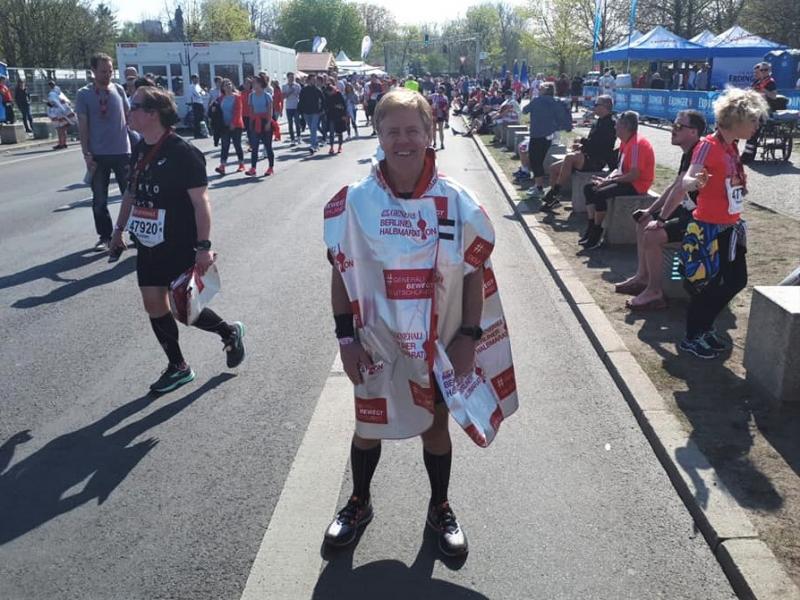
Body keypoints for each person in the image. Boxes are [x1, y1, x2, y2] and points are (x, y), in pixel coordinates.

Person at [322, 87, 517, 557]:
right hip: (377, 344)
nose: (403, 140)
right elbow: (341, 274)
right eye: (392, 131)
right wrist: (346, 340)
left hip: (440, 343)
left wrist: (469, 336)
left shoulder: (458, 201)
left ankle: (440, 507)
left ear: (431, 132)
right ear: (378, 134)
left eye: (413, 130)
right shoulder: (355, 202)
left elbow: (474, 274)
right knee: (368, 427)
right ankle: (359, 502)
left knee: (435, 427)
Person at [109, 86, 245, 392]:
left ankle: (229, 333)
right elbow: (131, 192)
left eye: (134, 106)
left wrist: (203, 247)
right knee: (153, 304)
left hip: (179, 241)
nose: (129, 111)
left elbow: (201, 202)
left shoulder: (183, 152)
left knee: (185, 309)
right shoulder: (139, 147)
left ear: (152, 113)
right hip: (148, 243)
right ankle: (178, 366)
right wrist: (118, 231)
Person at [678, 88, 769, 358]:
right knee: (708, 285)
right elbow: (687, 180)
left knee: (736, 281)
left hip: (730, 226)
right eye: (753, 120)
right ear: (737, 119)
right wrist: (696, 182)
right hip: (708, 227)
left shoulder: (731, 147)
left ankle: (704, 327)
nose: (756, 126)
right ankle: (693, 335)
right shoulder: (708, 145)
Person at [615, 110, 706, 310]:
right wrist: (650, 211)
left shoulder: (699, 152)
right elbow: (675, 186)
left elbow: (680, 190)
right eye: (673, 124)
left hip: (701, 217)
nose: (673, 129)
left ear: (693, 132)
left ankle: (655, 292)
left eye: (679, 126)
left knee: (653, 234)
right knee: (643, 221)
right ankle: (642, 277)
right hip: (688, 210)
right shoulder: (690, 152)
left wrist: (661, 220)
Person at [75, 53, 132, 252]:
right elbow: (83, 125)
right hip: (98, 154)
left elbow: (129, 117)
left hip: (122, 152)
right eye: (103, 71)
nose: (107, 75)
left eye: (110, 71)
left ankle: (135, 233)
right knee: (99, 199)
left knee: (130, 196)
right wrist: (86, 153)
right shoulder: (84, 94)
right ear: (93, 71)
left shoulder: (118, 90)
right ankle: (105, 236)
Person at [580, 110, 655, 250]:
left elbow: (634, 175)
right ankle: (591, 225)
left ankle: (597, 230)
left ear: (625, 127)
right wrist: (607, 179)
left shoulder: (637, 145)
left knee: (600, 193)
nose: (614, 127)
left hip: (637, 184)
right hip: (625, 179)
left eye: (617, 124)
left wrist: (609, 182)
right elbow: (619, 168)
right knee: (589, 188)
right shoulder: (626, 142)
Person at [541, 94, 615, 210]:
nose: (594, 107)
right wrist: (581, 146)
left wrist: (582, 141)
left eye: (596, 104)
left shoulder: (610, 124)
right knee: (553, 168)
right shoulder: (599, 121)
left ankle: (554, 192)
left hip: (597, 160)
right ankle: (554, 200)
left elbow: (600, 147)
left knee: (570, 157)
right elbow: (591, 143)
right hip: (587, 156)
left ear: (605, 106)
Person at [522, 82, 572, 200]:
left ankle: (539, 186)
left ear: (544, 90)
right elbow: (563, 115)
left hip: (537, 134)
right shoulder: (556, 101)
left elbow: (525, 110)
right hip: (550, 135)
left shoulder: (537, 100)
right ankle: (538, 185)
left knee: (535, 160)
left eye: (540, 88)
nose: (539, 90)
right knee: (540, 159)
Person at [741, 62, 778, 163]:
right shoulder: (757, 81)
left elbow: (774, 96)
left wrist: (764, 90)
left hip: (764, 110)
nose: (763, 72)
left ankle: (748, 156)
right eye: (762, 70)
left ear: (769, 71)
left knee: (753, 129)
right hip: (754, 107)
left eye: (766, 70)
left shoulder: (770, 82)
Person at [213, 79, 245, 176]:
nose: (228, 86)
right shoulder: (220, 98)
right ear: (222, 88)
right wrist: (213, 109)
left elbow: (238, 111)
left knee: (237, 144)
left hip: (236, 125)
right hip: (224, 125)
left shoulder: (237, 97)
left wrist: (233, 123)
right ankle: (222, 166)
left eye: (229, 84)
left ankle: (241, 164)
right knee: (224, 145)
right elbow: (214, 108)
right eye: (226, 85)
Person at [246, 73, 274, 177]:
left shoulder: (267, 96)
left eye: (255, 82)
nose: (253, 84)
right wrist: (250, 124)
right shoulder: (251, 96)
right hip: (255, 122)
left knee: (268, 146)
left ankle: (270, 167)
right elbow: (251, 111)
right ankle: (253, 168)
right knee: (254, 146)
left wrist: (268, 123)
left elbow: (270, 110)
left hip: (265, 121)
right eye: (252, 82)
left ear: (261, 83)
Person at [46, 81, 76, 150]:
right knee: (63, 129)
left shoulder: (52, 93)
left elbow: (54, 103)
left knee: (60, 129)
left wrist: (49, 104)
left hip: (58, 113)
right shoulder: (60, 92)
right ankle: (63, 143)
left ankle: (61, 144)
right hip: (64, 112)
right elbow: (66, 102)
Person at [298, 75, 325, 153]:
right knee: (312, 129)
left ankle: (312, 146)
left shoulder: (317, 90)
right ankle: (316, 144)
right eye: (313, 79)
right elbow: (301, 101)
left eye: (315, 79)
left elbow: (323, 100)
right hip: (306, 113)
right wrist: (300, 111)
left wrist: (322, 109)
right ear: (309, 80)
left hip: (315, 112)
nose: (314, 81)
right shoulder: (304, 90)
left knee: (313, 128)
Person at [324, 81, 347, 155]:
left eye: (329, 92)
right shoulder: (327, 96)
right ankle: (331, 147)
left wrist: (344, 114)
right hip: (331, 116)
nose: (329, 94)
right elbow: (326, 105)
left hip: (339, 115)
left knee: (339, 132)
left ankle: (340, 146)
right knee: (331, 133)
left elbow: (344, 105)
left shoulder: (338, 94)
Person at [282, 71, 302, 144]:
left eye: (293, 77)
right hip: (289, 107)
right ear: (288, 78)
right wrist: (290, 91)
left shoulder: (297, 85)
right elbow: (284, 96)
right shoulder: (284, 86)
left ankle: (299, 137)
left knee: (297, 122)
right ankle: (292, 139)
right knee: (290, 124)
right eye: (290, 77)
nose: (292, 78)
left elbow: (300, 95)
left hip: (296, 106)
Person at [428, 84, 450, 150]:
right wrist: (431, 105)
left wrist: (447, 118)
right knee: (434, 130)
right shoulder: (434, 95)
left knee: (440, 130)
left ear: (443, 91)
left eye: (441, 91)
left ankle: (442, 143)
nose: (439, 92)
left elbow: (446, 108)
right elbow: (427, 97)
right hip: (434, 115)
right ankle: (435, 142)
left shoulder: (445, 98)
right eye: (439, 90)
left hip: (440, 115)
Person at [189, 74, 207, 139]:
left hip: (200, 103)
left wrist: (203, 91)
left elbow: (204, 93)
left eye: (197, 78)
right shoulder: (191, 86)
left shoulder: (198, 86)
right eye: (195, 78)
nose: (197, 80)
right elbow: (196, 94)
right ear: (192, 79)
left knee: (201, 119)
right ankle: (196, 134)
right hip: (195, 103)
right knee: (197, 119)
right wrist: (201, 93)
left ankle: (201, 133)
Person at [208, 76, 223, 146]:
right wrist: (209, 109)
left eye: (221, 82)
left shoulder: (223, 90)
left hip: (222, 108)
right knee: (215, 125)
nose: (220, 83)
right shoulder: (212, 90)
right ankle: (216, 140)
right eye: (218, 82)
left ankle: (223, 139)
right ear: (215, 83)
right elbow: (210, 100)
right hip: (214, 109)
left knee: (222, 125)